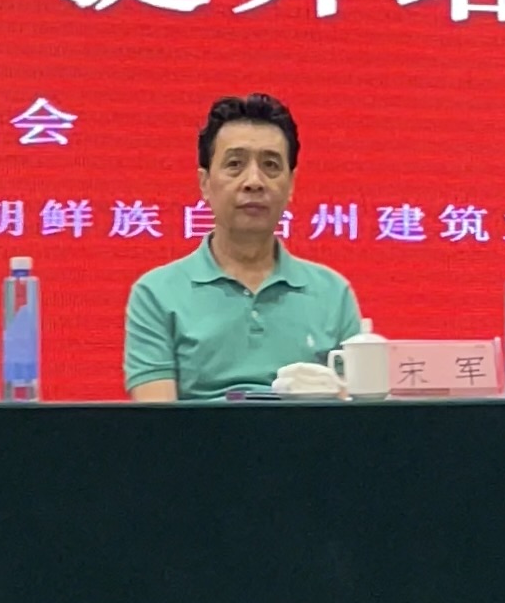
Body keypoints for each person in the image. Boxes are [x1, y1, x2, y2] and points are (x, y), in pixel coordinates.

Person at [123, 94, 361, 399]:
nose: (254, 181)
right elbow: (157, 418)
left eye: (270, 165)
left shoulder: (332, 293)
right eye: (235, 164)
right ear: (205, 183)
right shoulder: (156, 294)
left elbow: (353, 412)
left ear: (291, 184)